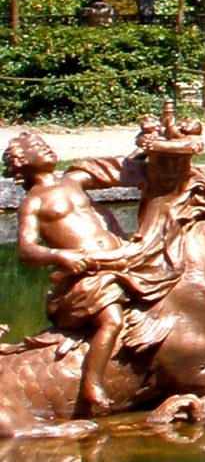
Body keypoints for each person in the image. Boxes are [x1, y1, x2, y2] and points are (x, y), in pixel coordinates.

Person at [7, 131, 140, 415]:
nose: (46, 148)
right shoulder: (33, 203)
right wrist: (60, 255)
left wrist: (143, 157)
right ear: (21, 163)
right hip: (87, 274)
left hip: (121, 256)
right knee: (111, 319)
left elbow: (119, 171)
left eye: (45, 144)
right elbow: (26, 250)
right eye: (36, 148)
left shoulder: (74, 179)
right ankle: (93, 384)